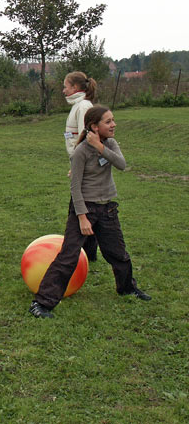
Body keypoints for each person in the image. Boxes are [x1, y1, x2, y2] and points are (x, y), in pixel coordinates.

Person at [29, 105, 151, 319]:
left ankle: (127, 288)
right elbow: (75, 187)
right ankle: (42, 303)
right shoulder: (81, 152)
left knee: (118, 254)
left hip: (107, 209)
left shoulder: (110, 144)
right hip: (84, 208)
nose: (113, 125)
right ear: (94, 126)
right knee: (68, 257)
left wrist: (101, 147)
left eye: (113, 120)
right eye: (108, 122)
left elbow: (121, 164)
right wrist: (83, 217)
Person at [63, 71, 99, 261]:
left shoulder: (83, 106)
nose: (63, 90)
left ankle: (80, 252)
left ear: (76, 88)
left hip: (83, 165)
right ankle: (89, 252)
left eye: (66, 86)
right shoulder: (78, 105)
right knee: (84, 206)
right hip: (78, 163)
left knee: (78, 208)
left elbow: (86, 136)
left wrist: (77, 165)